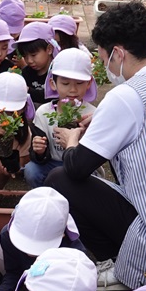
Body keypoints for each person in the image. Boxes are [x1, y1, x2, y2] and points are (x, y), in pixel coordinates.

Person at [45, 2, 146, 291]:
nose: (106, 67)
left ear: (117, 53)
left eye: (103, 58)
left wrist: (71, 141)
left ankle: (118, 262)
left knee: (60, 179)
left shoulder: (125, 95)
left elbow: (78, 167)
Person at [0, 187, 79, 291]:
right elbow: (13, 272)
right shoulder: (8, 236)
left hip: (51, 289)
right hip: (22, 275)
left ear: (62, 235)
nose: (30, 253)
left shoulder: (72, 254)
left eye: (40, 247)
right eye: (24, 244)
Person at [25, 47, 99, 188]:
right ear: (53, 83)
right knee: (31, 170)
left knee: (92, 176)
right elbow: (38, 153)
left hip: (81, 164)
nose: (72, 90)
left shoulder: (92, 114)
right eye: (65, 84)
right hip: (52, 163)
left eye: (79, 83)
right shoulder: (43, 112)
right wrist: (39, 151)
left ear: (89, 83)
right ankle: (43, 197)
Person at [14, 21, 59, 107]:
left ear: (49, 49)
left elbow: (53, 96)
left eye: (33, 55)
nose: (29, 60)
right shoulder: (27, 72)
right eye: (25, 56)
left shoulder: (58, 72)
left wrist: (27, 90)